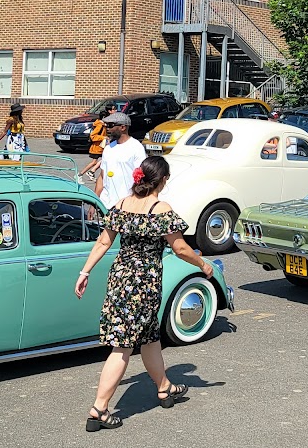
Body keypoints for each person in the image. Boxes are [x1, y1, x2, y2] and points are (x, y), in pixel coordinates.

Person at [75, 153, 212, 429]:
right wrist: (203, 264)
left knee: (149, 337)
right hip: (144, 283)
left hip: (119, 278)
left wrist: (85, 271)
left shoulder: (122, 204)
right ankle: (99, 408)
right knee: (122, 346)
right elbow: (180, 247)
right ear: (162, 180)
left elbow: (103, 242)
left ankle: (164, 388)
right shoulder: (159, 209)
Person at [94, 111, 146, 207]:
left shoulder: (136, 147)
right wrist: (95, 203)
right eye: (106, 125)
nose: (107, 128)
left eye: (111, 125)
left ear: (123, 127)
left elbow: (141, 179)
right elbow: (102, 177)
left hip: (126, 205)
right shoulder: (108, 148)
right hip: (105, 204)